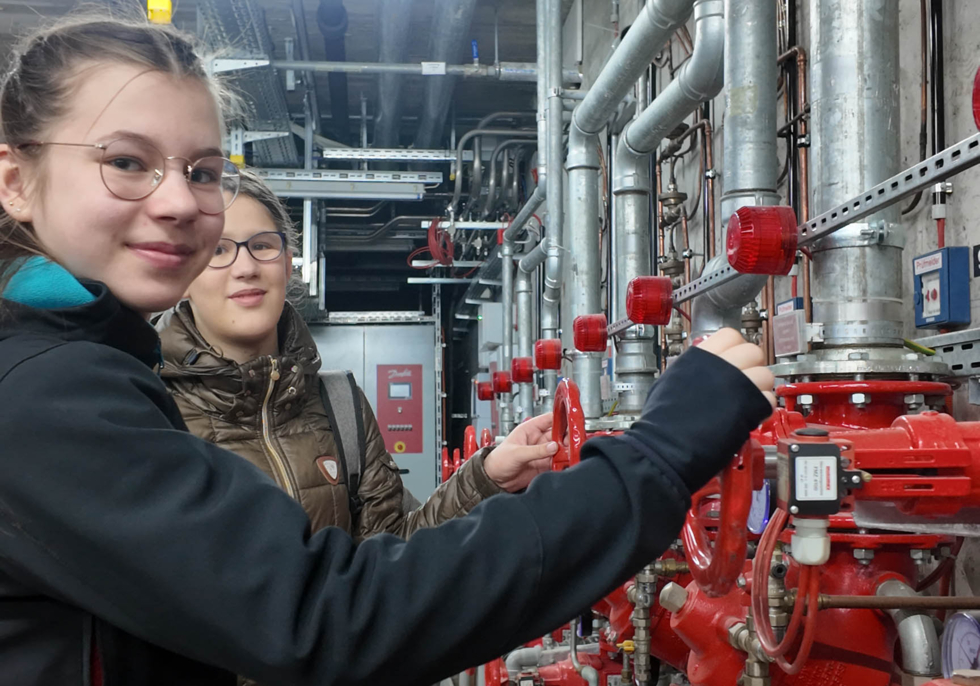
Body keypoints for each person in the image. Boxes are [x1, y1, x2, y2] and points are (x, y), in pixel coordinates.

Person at [0, 15, 775, 686]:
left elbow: (380, 554)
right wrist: (659, 454)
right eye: (125, 162)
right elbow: (332, 616)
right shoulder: (47, 394)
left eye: (202, 170)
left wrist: (482, 481)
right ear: (16, 180)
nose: (175, 203)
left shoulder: (107, 371)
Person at [157, 171, 510, 539]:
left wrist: (487, 476)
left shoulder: (340, 405)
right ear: (183, 273)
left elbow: (388, 554)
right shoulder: (147, 409)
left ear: (286, 261)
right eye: (217, 249)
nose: (246, 268)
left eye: (262, 246)